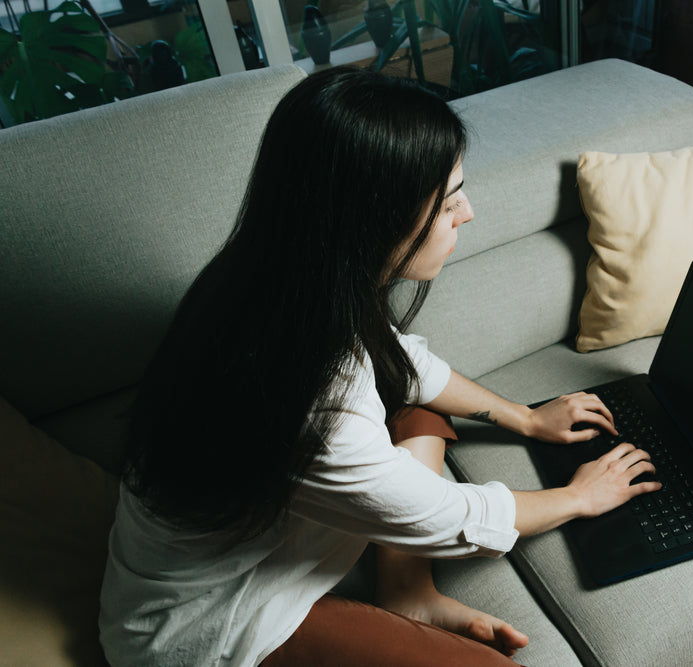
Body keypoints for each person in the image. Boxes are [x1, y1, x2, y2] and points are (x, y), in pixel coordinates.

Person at [98, 66, 661, 667]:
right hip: (211, 616)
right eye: (448, 202)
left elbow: (402, 363)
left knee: (412, 398)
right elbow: (450, 515)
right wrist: (578, 496)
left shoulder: (281, 279)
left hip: (279, 519)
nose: (466, 214)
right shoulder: (313, 395)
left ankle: (408, 594)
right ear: (369, 220)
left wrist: (525, 419)